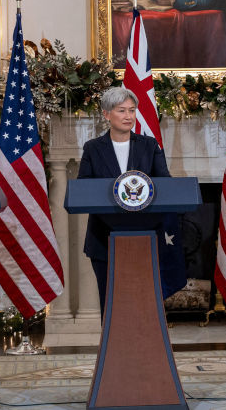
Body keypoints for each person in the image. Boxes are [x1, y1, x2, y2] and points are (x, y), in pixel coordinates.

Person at [78, 87, 171, 310]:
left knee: (143, 303)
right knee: (110, 302)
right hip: (103, 238)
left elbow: (166, 184)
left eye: (132, 110)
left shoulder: (149, 146)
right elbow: (83, 189)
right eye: (122, 110)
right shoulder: (93, 148)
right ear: (106, 114)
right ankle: (111, 345)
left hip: (145, 236)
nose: (129, 116)